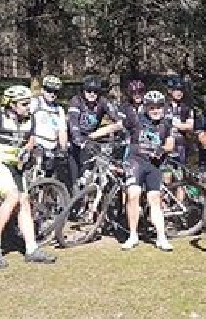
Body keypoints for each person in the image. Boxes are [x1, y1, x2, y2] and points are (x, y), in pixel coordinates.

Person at [0, 85, 56, 268]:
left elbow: (31, 139)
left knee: (24, 201)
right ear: (11, 104)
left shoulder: (29, 119)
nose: (28, 107)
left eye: (29, 103)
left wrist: (27, 149)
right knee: (13, 196)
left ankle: (31, 248)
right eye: (24, 104)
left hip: (15, 166)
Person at [121, 90, 174, 252]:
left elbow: (170, 144)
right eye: (152, 107)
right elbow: (115, 126)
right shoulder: (135, 119)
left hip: (153, 165)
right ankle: (133, 235)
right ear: (146, 108)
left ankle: (161, 237)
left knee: (154, 198)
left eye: (158, 107)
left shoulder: (166, 123)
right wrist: (93, 136)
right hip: (135, 162)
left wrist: (162, 149)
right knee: (133, 194)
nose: (156, 110)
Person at [67, 75, 123, 195]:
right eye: (89, 91)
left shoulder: (102, 101)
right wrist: (78, 139)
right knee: (76, 179)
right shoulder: (76, 101)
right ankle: (72, 203)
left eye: (95, 91)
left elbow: (117, 118)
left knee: (93, 172)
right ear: (83, 91)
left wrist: (120, 128)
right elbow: (73, 123)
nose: (92, 94)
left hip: (91, 139)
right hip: (75, 140)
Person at [30, 75, 68, 176]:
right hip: (37, 145)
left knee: (49, 177)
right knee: (34, 175)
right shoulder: (34, 103)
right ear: (43, 90)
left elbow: (62, 131)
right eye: (49, 90)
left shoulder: (59, 109)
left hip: (52, 148)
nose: (52, 94)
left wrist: (63, 149)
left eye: (55, 92)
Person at [164, 76, 194, 165]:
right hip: (165, 144)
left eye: (181, 90)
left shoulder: (186, 108)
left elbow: (190, 126)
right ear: (170, 90)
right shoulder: (163, 106)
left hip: (181, 145)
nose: (179, 93)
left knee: (181, 173)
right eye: (176, 89)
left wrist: (174, 124)